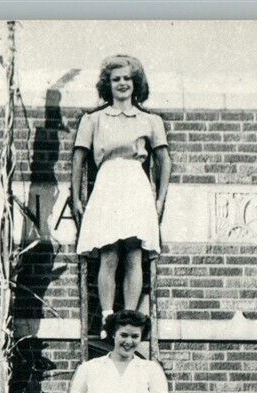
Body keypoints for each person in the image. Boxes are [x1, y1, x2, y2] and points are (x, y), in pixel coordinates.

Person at [71, 54, 170, 326]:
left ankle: (128, 317)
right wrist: (76, 197)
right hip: (107, 184)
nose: (122, 83)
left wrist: (160, 200)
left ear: (136, 82)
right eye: (116, 79)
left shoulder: (150, 121)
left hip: (135, 184)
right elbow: (79, 158)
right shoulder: (93, 120)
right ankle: (106, 317)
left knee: (133, 251)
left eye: (127, 78)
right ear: (108, 84)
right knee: (109, 252)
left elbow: (164, 160)